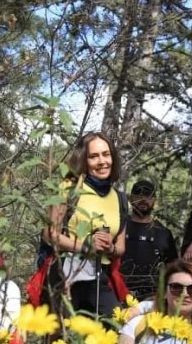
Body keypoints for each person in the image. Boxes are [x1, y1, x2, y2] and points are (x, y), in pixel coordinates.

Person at [45, 131, 129, 319]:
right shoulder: (69, 188)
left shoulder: (120, 199)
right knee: (63, 337)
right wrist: (85, 247)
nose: (102, 161)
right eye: (94, 156)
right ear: (83, 160)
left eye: (106, 154)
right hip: (67, 275)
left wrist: (110, 246)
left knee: (116, 325)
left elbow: (121, 248)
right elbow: (50, 234)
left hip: (100, 276)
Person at [121, 180, 178, 300]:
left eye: (148, 195)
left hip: (152, 297)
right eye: (139, 194)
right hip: (118, 292)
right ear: (131, 199)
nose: (143, 198)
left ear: (154, 201)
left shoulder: (163, 233)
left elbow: (173, 268)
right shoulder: (120, 226)